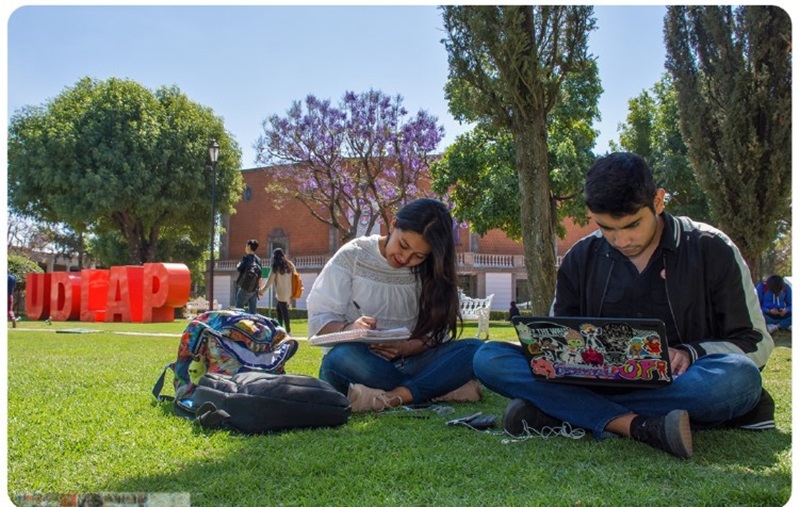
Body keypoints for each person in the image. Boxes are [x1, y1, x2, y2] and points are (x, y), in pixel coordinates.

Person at [473, 152, 775, 458]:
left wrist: (690, 353)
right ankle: (635, 424)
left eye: (632, 225)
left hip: (682, 382)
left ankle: (563, 411)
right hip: (595, 383)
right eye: (607, 228)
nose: (621, 240)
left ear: (658, 202)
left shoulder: (711, 247)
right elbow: (557, 343)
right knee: (489, 357)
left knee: (740, 377)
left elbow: (757, 344)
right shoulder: (581, 256)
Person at [307, 198, 484, 412]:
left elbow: (437, 333)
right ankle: (438, 388)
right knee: (339, 359)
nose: (404, 258)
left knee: (474, 350)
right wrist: (350, 329)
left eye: (418, 256)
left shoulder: (430, 270)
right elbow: (320, 319)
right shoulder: (352, 256)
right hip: (365, 362)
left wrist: (408, 347)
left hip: (413, 360)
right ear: (393, 224)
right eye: (403, 245)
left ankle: (394, 396)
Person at [258, 248, 297, 333]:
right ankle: (280, 328)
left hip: (281, 294)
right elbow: (295, 277)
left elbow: (269, 282)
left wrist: (262, 291)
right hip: (290, 292)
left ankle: (288, 331)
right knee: (279, 309)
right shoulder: (290, 264)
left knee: (284, 312)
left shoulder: (275, 267)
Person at [234, 239, 262, 314]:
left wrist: (238, 263)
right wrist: (259, 288)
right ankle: (253, 324)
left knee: (238, 309)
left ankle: (239, 324)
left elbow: (239, 268)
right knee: (253, 312)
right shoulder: (258, 260)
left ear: (249, 246)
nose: (245, 247)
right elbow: (260, 276)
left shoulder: (246, 258)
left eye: (246, 246)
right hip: (254, 289)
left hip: (244, 288)